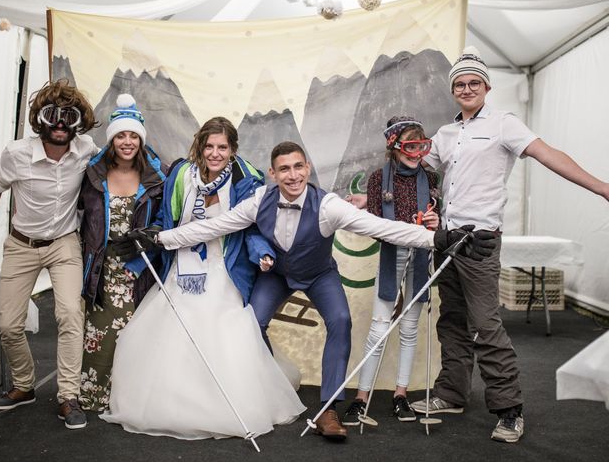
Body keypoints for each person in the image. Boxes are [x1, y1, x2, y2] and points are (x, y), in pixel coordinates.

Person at [130, 141, 496, 441]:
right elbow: (213, 228)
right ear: (273, 174)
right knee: (250, 322)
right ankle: (261, 393)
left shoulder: (330, 205)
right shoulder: (260, 201)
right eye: (284, 169)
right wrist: (159, 238)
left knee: (340, 320)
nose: (292, 175)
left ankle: (328, 411)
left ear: (307, 169)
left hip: (319, 274)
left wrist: (439, 238)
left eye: (298, 167)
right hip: (278, 276)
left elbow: (384, 228)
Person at [405, 46, 609, 443]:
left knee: (485, 324)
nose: (466, 88)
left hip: (480, 241)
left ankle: (510, 410)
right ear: (453, 91)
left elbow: (549, 155)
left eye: (473, 83)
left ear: (486, 86)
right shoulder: (445, 135)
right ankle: (452, 394)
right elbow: (413, 173)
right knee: (452, 321)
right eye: (460, 84)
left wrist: (601, 187)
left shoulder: (504, 124)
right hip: (446, 240)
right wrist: (368, 196)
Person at [100, 117, 306, 440]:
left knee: (222, 332)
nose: (215, 153)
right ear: (200, 144)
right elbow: (165, 219)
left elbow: (253, 226)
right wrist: (148, 242)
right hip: (180, 269)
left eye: (222, 147)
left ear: (233, 149)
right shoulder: (181, 175)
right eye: (209, 146)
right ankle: (173, 405)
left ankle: (226, 407)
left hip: (222, 268)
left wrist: (262, 253)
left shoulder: (245, 180)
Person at [0, 79, 98, 429]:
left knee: (71, 314)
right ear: (40, 119)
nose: (59, 124)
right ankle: (24, 386)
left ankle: (68, 395)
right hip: (21, 245)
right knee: (9, 324)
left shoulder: (86, 149)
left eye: (68, 117)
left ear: (78, 121)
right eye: (52, 115)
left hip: (64, 244)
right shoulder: (17, 154)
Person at [342, 116, 440, 427]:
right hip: (392, 255)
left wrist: (436, 223)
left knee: (410, 328)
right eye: (410, 146)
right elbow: (373, 224)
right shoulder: (377, 180)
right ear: (394, 146)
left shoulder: (431, 178)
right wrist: (401, 230)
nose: (416, 153)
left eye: (421, 146)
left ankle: (401, 395)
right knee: (379, 328)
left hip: (421, 256)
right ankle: (361, 399)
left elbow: (439, 215)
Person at [78, 94, 166, 411]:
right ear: (112, 139)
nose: (127, 142)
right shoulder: (92, 175)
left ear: (140, 140)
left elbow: (165, 220)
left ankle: (131, 398)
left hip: (139, 266)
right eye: (120, 135)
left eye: (133, 135)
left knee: (136, 333)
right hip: (102, 266)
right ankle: (94, 395)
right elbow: (79, 216)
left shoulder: (158, 177)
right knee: (100, 334)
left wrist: (150, 238)